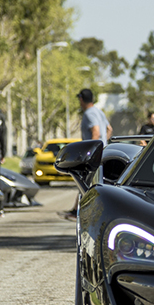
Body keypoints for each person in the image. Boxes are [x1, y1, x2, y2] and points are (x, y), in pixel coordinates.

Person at [59, 89, 114, 221]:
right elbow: (109, 129)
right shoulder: (99, 112)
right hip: (102, 153)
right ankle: (76, 210)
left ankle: (79, 211)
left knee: (86, 182)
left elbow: (96, 131)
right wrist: (104, 144)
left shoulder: (89, 113)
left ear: (81, 99)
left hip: (93, 156)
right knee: (87, 182)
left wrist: (91, 151)